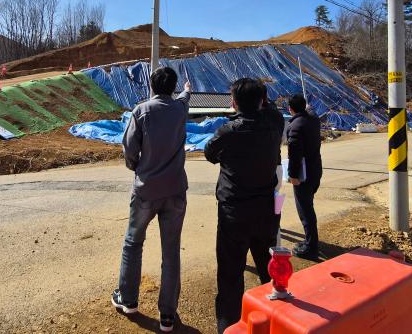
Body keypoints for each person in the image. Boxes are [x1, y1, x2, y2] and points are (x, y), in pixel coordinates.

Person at [112, 67, 191, 333]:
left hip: (146, 189)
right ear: (173, 87)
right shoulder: (181, 110)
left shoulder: (141, 111)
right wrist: (186, 91)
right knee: (171, 251)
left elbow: (129, 150)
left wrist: (138, 168)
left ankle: (129, 299)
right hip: (176, 190)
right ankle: (168, 315)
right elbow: (185, 97)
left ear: (152, 86)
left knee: (133, 243)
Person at [204, 78, 283, 333]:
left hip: (234, 212)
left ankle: (229, 326)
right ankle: (277, 320)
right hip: (265, 210)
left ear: (234, 103)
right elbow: (271, 111)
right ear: (263, 100)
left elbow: (209, 153)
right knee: (269, 270)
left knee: (230, 274)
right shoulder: (274, 125)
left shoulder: (229, 131)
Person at [286, 94, 323, 260]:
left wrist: (293, 175)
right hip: (316, 169)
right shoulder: (314, 120)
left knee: (305, 210)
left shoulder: (296, 126)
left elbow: (294, 153)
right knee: (309, 206)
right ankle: (310, 241)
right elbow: (312, 112)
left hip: (304, 174)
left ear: (290, 109)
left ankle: (311, 247)